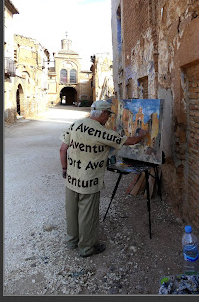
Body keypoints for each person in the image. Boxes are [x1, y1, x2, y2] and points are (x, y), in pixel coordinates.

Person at [59, 100, 147, 257]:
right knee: (88, 215)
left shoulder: (76, 124)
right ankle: (86, 248)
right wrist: (142, 135)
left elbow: (63, 149)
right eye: (108, 115)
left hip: (72, 178)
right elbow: (131, 141)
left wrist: (65, 169)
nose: (108, 119)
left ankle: (72, 241)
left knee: (71, 211)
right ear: (102, 114)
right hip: (89, 181)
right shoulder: (103, 133)